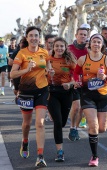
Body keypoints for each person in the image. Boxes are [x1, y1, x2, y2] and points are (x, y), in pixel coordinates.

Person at [10, 26, 53, 167]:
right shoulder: (21, 54)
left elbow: (48, 68)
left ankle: (40, 156)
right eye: (31, 35)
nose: (34, 38)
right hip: (26, 92)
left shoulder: (44, 52)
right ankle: (25, 141)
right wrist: (26, 69)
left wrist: (50, 72)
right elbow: (12, 74)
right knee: (27, 124)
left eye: (36, 35)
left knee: (40, 123)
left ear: (39, 38)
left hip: (41, 90)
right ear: (27, 38)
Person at [73, 33, 107, 166]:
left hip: (102, 97)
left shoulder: (106, 60)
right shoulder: (83, 59)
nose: (96, 44)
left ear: (102, 45)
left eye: (99, 42)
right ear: (90, 44)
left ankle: (93, 132)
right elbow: (76, 73)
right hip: (87, 96)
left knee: (102, 128)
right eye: (94, 41)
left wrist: (105, 77)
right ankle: (94, 156)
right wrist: (77, 81)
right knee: (93, 126)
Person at [47, 37, 76, 162]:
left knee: (63, 122)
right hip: (52, 93)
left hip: (66, 93)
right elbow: (41, 75)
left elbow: (77, 78)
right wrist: (48, 74)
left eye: (61, 46)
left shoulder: (70, 61)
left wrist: (70, 84)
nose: (59, 48)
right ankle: (60, 151)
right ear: (53, 47)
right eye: (57, 46)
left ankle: (58, 121)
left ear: (65, 48)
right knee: (58, 122)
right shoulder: (48, 60)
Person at [68, 27, 89, 140]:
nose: (83, 36)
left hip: (86, 82)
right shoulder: (69, 48)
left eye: (85, 35)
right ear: (76, 35)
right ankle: (72, 127)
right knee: (76, 106)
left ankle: (75, 129)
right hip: (74, 81)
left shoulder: (89, 49)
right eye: (81, 34)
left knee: (82, 108)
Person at [44, 34, 55, 121]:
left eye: (53, 43)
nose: (51, 44)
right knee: (47, 95)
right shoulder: (42, 52)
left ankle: (50, 112)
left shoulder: (58, 52)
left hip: (55, 78)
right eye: (50, 42)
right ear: (45, 42)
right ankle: (48, 112)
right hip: (43, 78)